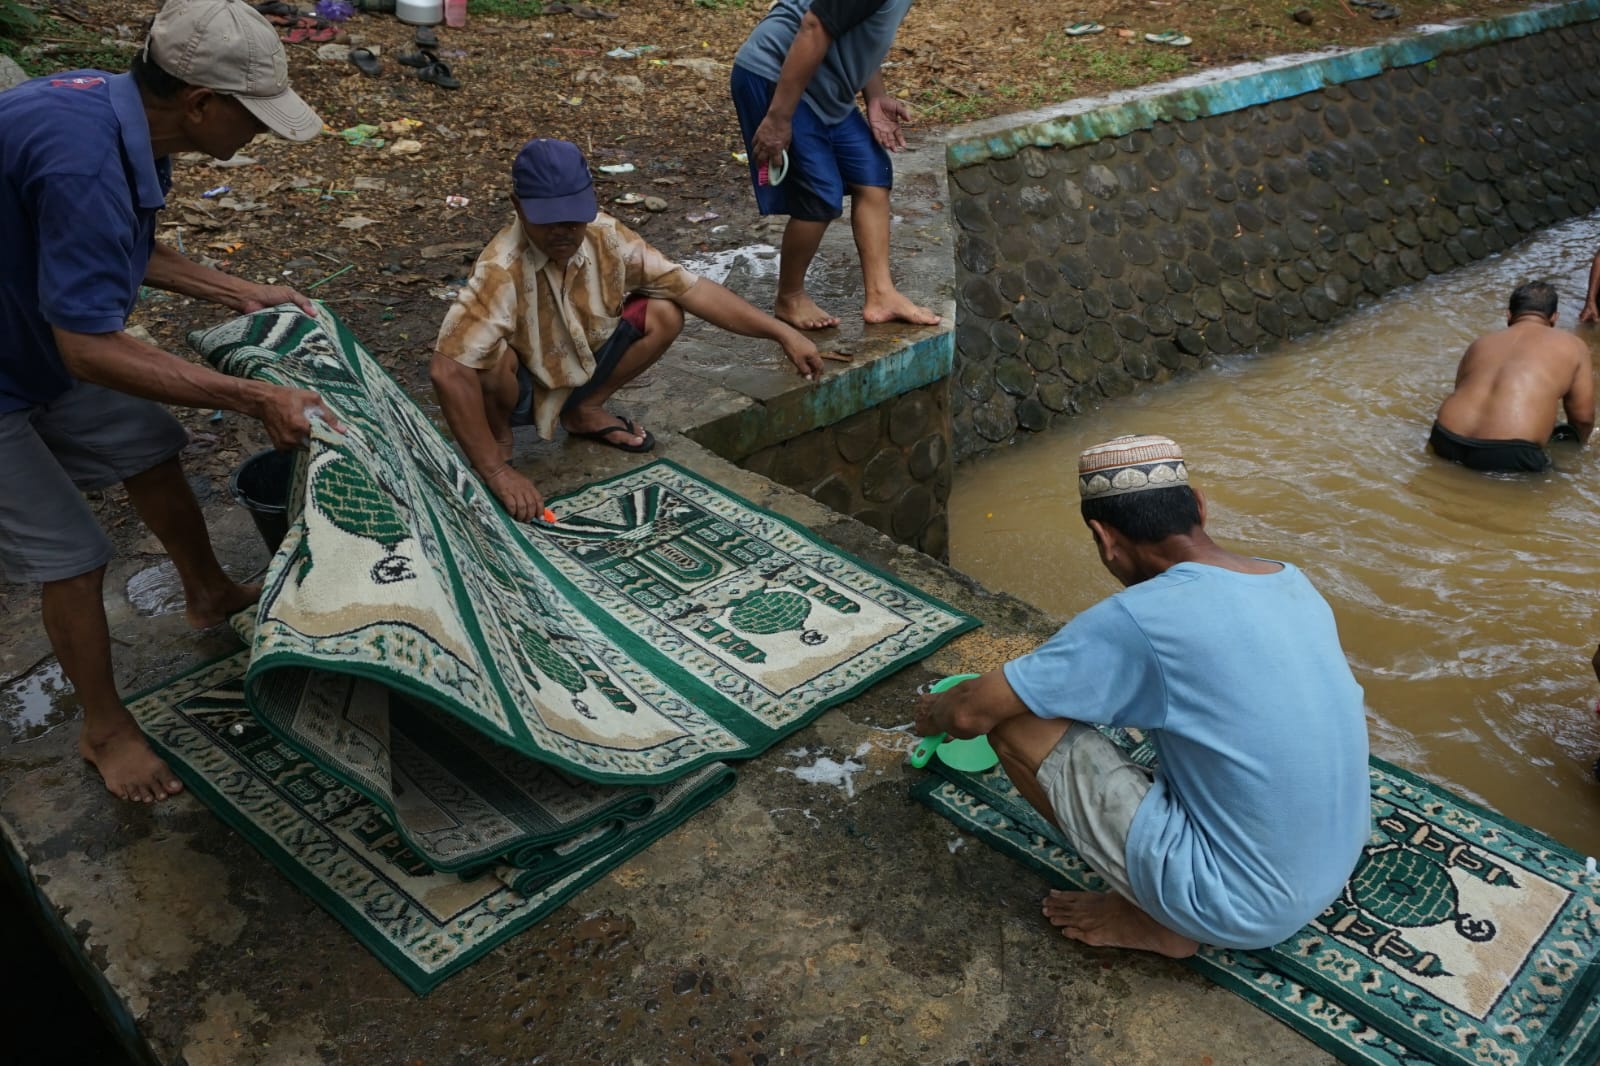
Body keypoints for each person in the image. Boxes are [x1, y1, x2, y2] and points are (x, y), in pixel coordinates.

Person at [0, 0, 336, 805]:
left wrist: (243, 289)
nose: (257, 136)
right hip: (26, 355)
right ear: (200, 103)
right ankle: (104, 728)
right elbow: (88, 346)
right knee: (73, 557)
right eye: (252, 119)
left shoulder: (120, 122)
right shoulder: (81, 158)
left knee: (148, 442)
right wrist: (255, 396)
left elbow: (129, 247)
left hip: (28, 326)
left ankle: (207, 591)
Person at [915, 435, 1370, 957]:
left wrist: (935, 716)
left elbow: (975, 711)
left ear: (1104, 537)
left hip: (1238, 906)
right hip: (1334, 857)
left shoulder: (1140, 616)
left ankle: (1156, 918)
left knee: (1017, 722)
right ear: (1199, 506)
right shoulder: (1292, 581)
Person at [429, 138, 825, 522]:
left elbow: (693, 289)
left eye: (574, 217)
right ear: (518, 207)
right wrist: (496, 473)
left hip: (582, 363)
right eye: (549, 220)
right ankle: (499, 444)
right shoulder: (500, 267)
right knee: (490, 358)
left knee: (666, 309)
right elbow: (448, 370)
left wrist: (782, 333)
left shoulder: (606, 236)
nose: (564, 231)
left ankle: (585, 409)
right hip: (519, 392)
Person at [730, 0, 941, 332]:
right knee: (820, 195)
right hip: (776, 73)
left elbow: (854, 26)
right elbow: (814, 27)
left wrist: (875, 96)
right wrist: (779, 117)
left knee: (872, 174)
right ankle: (790, 296)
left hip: (826, 85)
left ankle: (881, 294)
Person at [1431, 281, 1594, 473]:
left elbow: (1462, 389)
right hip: (1510, 452)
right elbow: (1583, 418)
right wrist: (1575, 454)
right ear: (1554, 318)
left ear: (1509, 315)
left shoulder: (1481, 343)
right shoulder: (1574, 346)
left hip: (1445, 438)